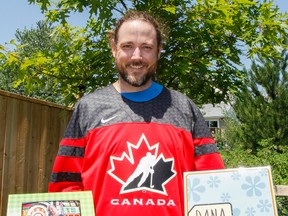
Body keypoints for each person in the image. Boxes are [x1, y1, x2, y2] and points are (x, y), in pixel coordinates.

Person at [48, 10, 225, 216]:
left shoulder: (184, 107)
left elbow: (213, 184)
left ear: (159, 51)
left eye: (146, 47)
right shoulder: (89, 107)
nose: (137, 57)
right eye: (127, 46)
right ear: (114, 49)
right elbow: (65, 186)